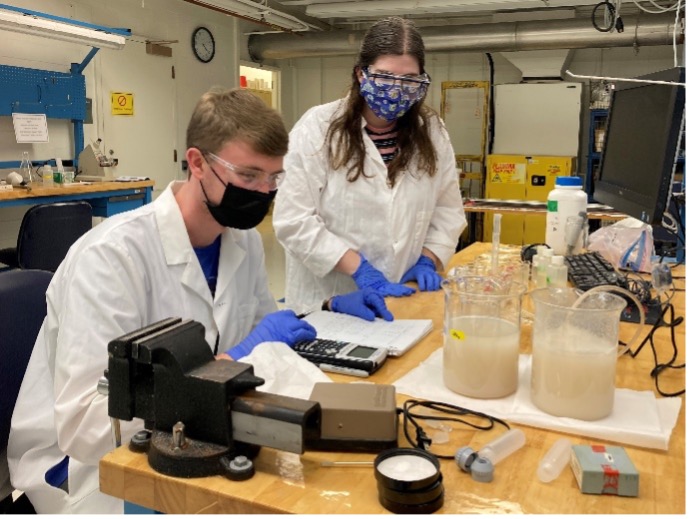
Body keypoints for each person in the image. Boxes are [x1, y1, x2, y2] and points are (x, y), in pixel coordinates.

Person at [7, 88, 392, 514]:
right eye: (248, 176)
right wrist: (225, 365)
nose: (264, 193)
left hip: (196, 435)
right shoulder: (110, 259)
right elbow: (88, 425)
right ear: (196, 162)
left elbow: (261, 333)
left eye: (273, 178)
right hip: (93, 467)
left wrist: (325, 311)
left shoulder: (241, 241)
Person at [272, 16, 467, 315]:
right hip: (332, 299)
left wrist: (429, 258)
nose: (396, 90)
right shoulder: (318, 127)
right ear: (361, 74)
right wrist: (359, 268)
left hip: (402, 295)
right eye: (385, 77)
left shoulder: (432, 130)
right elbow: (294, 220)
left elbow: (447, 209)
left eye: (409, 80)